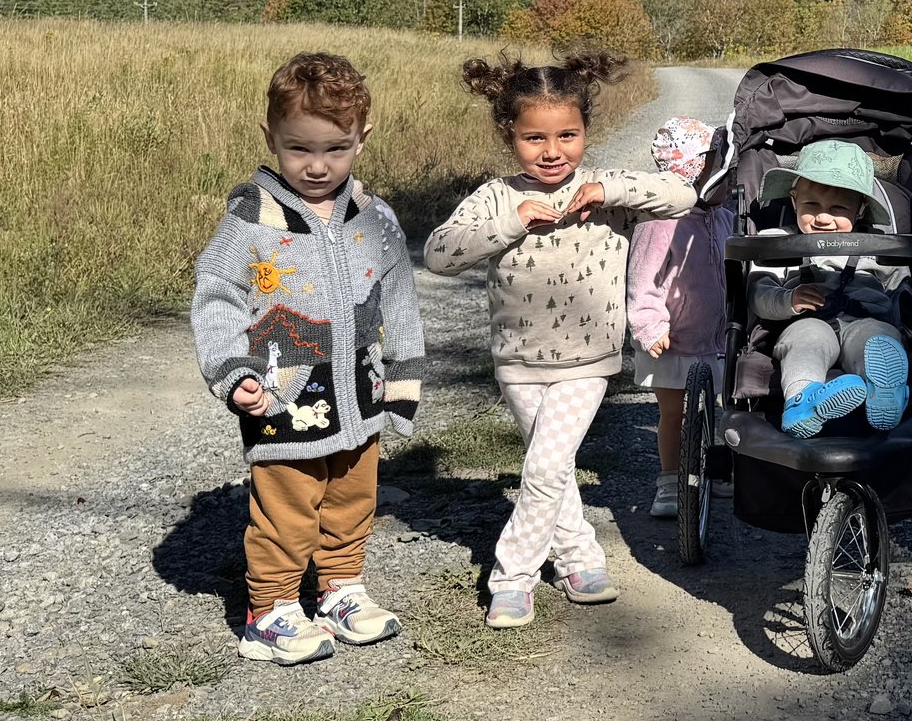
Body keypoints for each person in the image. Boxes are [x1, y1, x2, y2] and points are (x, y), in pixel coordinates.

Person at [424, 53, 695, 629]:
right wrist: (511, 222)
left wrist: (605, 187)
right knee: (554, 465)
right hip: (519, 360)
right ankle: (579, 556)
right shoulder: (497, 198)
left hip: (589, 359)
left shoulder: (607, 194)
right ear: (510, 136)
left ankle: (512, 577)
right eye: (535, 138)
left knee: (544, 468)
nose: (552, 151)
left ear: (586, 133)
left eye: (568, 135)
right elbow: (438, 254)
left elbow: (683, 197)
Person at [190, 52, 425, 666]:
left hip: (360, 391)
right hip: (282, 394)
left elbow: (397, 297)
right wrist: (232, 371)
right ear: (270, 138)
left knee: (352, 497)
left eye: (336, 150)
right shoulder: (251, 224)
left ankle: (341, 589)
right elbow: (217, 297)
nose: (317, 167)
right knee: (288, 507)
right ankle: (269, 609)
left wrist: (403, 376)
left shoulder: (376, 219)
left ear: (361, 139)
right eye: (298, 150)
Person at [745, 139, 912, 438]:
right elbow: (759, 294)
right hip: (805, 322)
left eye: (838, 208)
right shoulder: (777, 242)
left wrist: (905, 314)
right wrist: (788, 299)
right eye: (812, 206)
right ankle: (804, 399)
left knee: (878, 339)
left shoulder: (877, 247)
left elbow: (901, 285)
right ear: (794, 199)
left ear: (860, 209)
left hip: (864, 320)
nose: (823, 218)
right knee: (807, 342)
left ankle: (884, 391)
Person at [624, 116, 730, 517]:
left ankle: (716, 470)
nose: (726, 174)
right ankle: (670, 482)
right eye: (717, 166)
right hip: (672, 338)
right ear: (692, 171)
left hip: (716, 338)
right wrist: (649, 322)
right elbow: (642, 276)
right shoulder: (662, 219)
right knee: (673, 412)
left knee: (717, 408)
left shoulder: (723, 216)